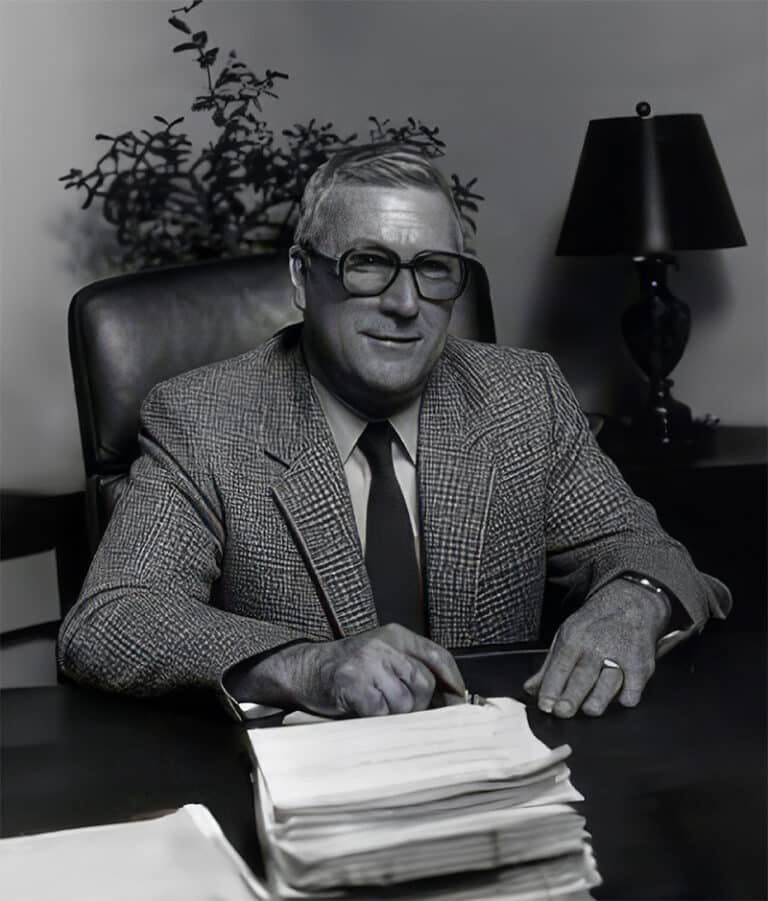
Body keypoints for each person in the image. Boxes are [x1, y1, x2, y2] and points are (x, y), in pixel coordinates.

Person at [57, 144, 731, 721]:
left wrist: (634, 600)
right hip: (306, 789)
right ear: (302, 275)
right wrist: (305, 665)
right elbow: (112, 619)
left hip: (500, 777)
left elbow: (652, 554)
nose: (405, 304)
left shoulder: (523, 397)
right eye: (369, 262)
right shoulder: (205, 417)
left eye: (433, 270)